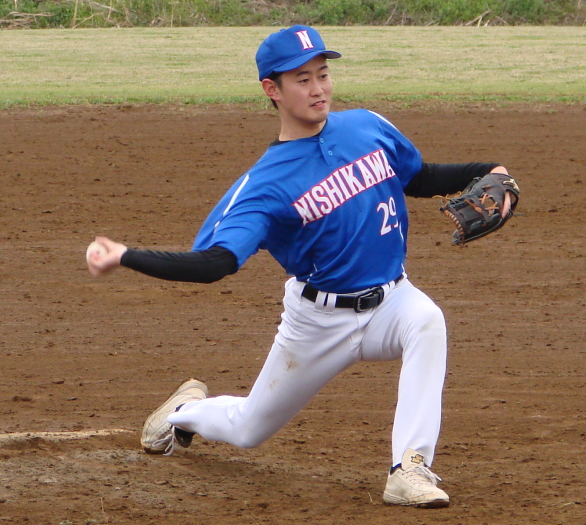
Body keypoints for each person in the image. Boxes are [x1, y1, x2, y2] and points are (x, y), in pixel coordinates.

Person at [87, 25, 515, 509]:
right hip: (317, 321)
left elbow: (419, 177)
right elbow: (215, 263)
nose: (318, 88)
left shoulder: (367, 127)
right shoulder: (263, 185)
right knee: (248, 429)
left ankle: (409, 469)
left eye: (323, 74)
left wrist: (490, 170)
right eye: (302, 79)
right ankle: (185, 410)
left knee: (427, 321)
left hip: (392, 300)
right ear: (272, 89)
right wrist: (126, 256)